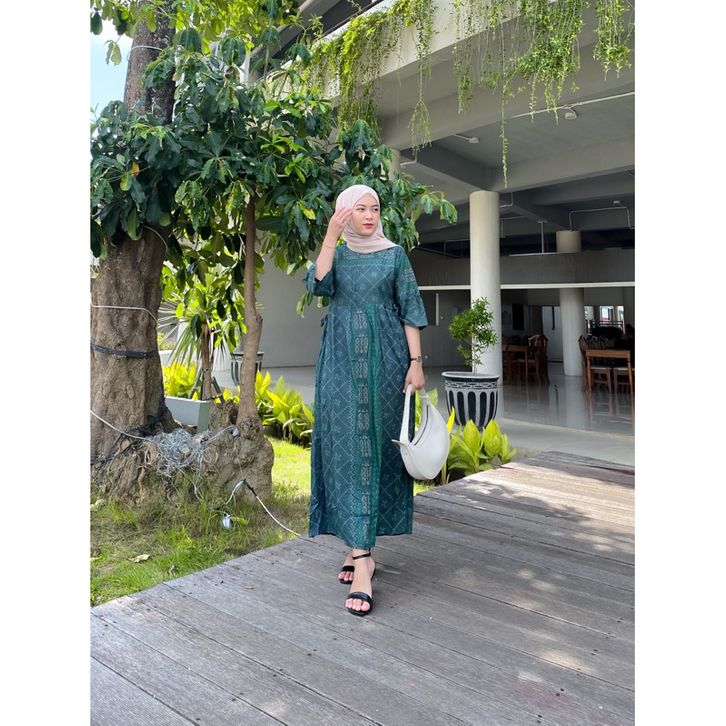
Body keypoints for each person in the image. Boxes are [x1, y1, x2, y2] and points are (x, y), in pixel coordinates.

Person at [304, 183, 427, 617]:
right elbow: (319, 286)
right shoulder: (335, 254)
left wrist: (416, 362)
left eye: (374, 208)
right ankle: (359, 552)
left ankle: (361, 555)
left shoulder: (394, 255)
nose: (370, 215)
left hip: (387, 362)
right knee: (344, 449)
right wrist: (329, 237)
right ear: (345, 213)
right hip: (340, 363)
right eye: (360, 209)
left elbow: (410, 308)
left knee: (376, 450)